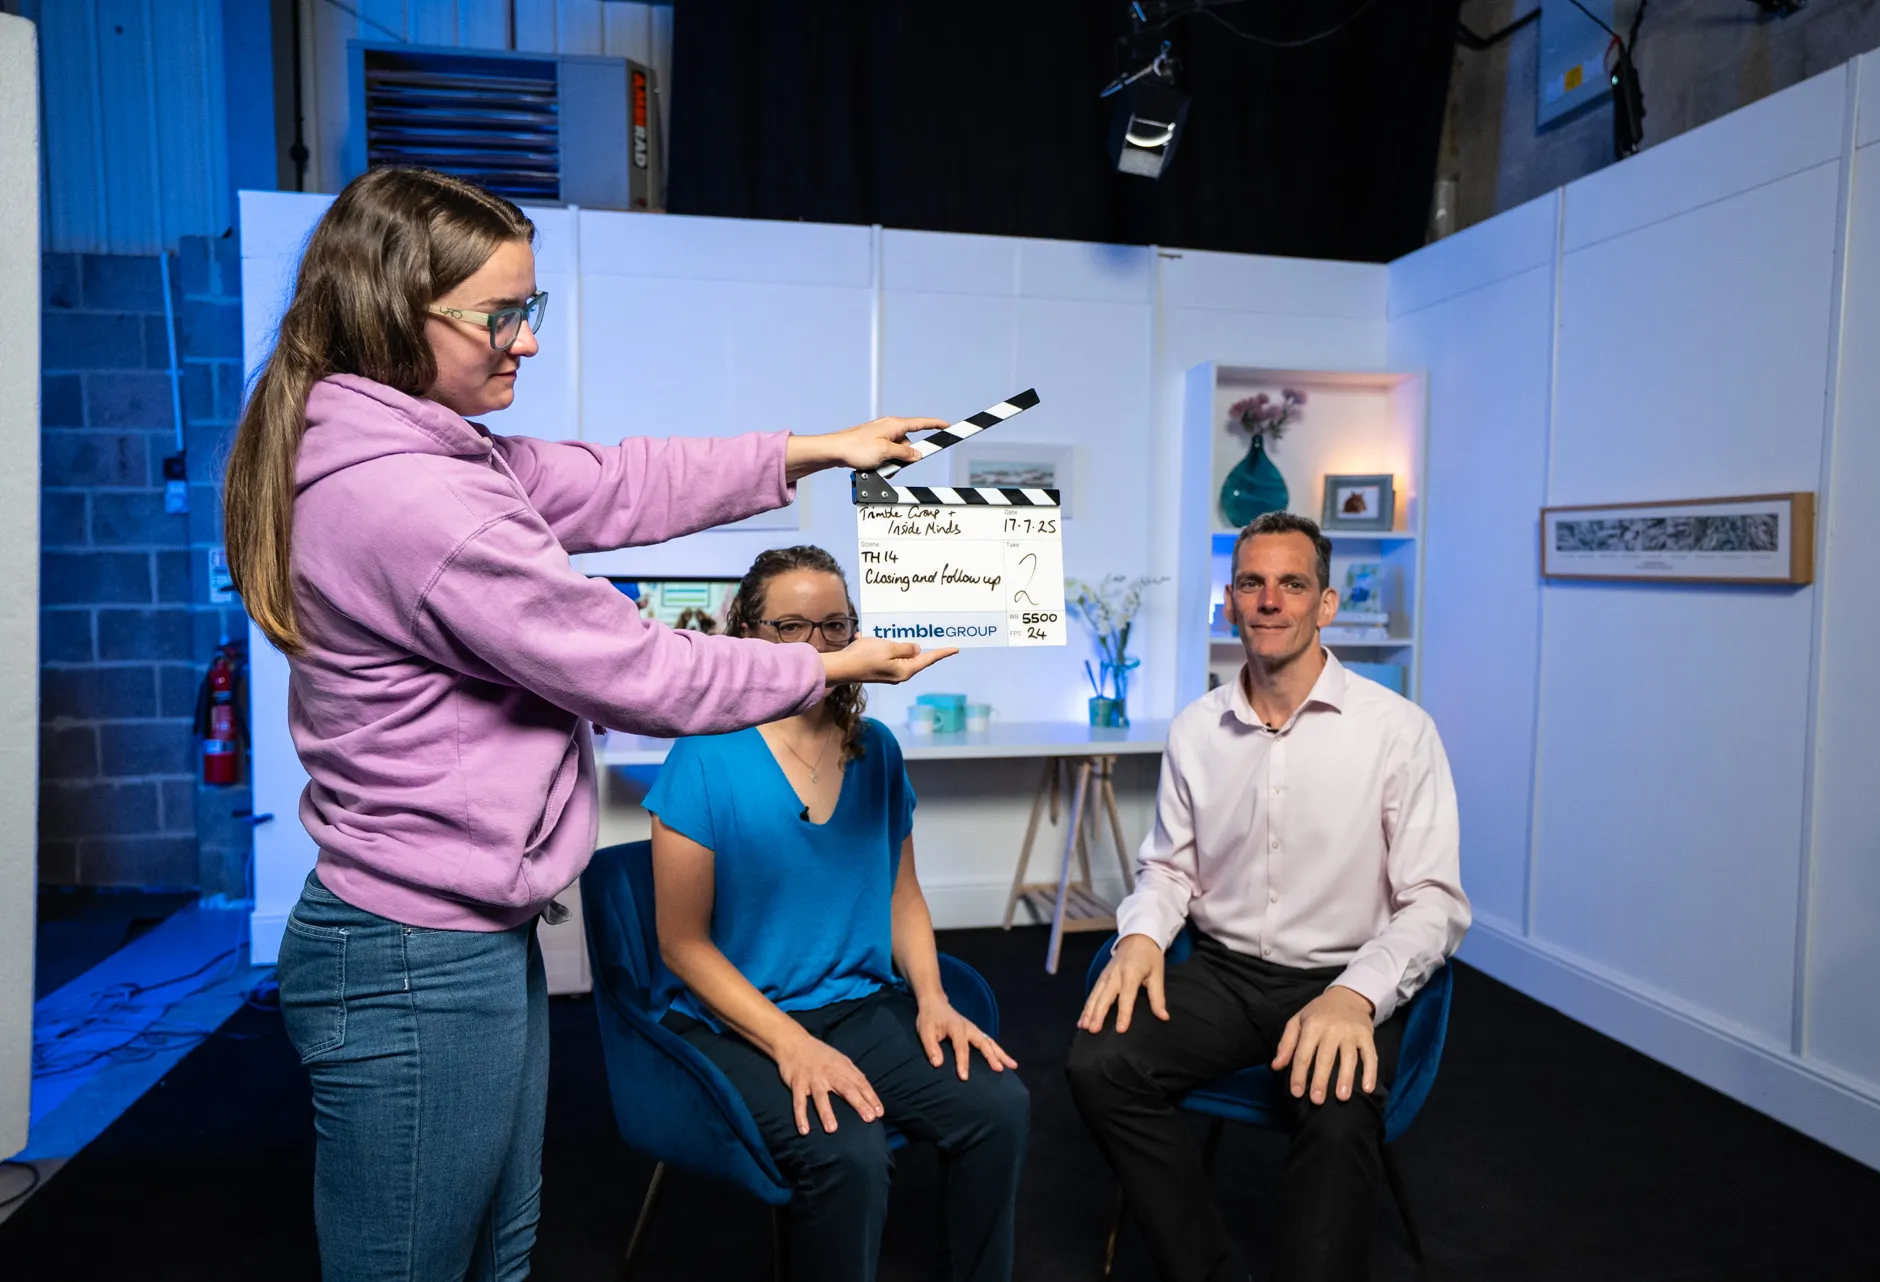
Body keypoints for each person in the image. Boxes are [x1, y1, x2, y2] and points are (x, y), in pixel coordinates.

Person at [227, 167, 956, 1282]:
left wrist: (817, 448)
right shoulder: (415, 501)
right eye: (499, 315)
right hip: (416, 953)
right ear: (390, 312)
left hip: (457, 934)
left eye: (533, 308)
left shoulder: (422, 446)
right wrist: (826, 667)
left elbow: (614, 485)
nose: (524, 341)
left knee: (497, 1255)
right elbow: (636, 670)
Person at [1067, 510, 1470, 1282]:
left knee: (1342, 1110)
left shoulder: (1398, 731)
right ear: (1230, 600)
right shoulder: (1196, 728)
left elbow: (1433, 901)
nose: (1269, 601)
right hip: (1224, 974)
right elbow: (1170, 869)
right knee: (1099, 1063)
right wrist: (1142, 937)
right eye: (1252, 583)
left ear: (1325, 604)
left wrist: (1356, 998)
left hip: (1343, 977)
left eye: (1292, 584)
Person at [650, 546, 1030, 1282]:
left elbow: (902, 895)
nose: (815, 647)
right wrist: (790, 1043)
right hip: (733, 1017)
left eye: (834, 628)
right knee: (847, 1150)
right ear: (747, 633)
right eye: (789, 626)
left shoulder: (876, 750)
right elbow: (681, 946)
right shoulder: (704, 755)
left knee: (999, 1108)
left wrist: (933, 1001)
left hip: (854, 1003)